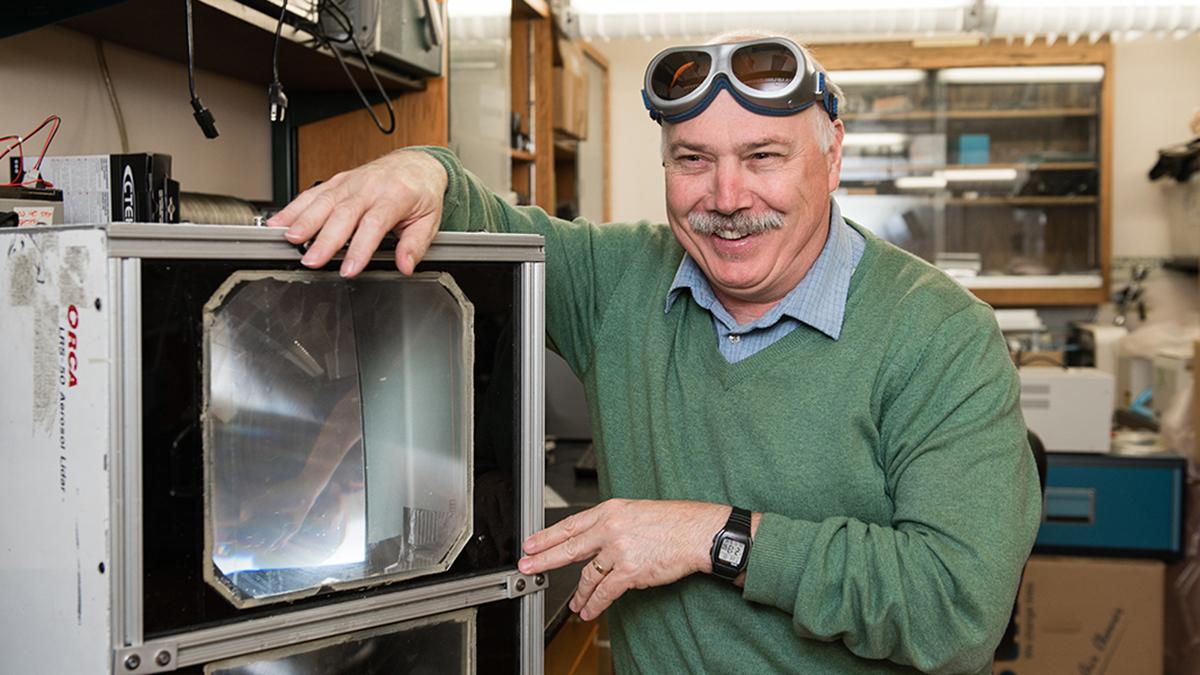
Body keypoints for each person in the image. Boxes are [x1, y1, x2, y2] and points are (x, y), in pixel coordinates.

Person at [270, 34, 1041, 674]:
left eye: (763, 156)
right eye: (693, 159)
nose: (728, 197)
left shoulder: (941, 335)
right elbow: (482, 222)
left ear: (832, 156)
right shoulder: (618, 280)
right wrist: (421, 168)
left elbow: (957, 610)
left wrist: (714, 536)